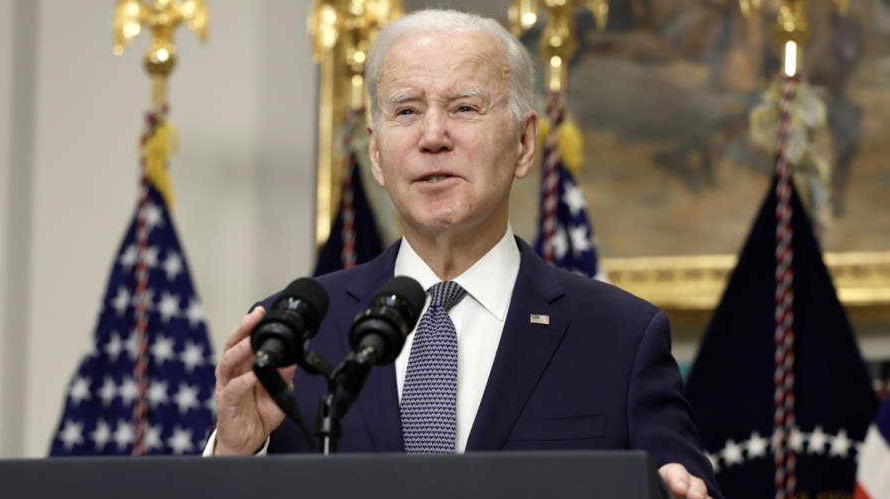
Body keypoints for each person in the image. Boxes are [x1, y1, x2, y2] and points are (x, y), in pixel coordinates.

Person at [207, 9, 722, 499]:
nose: (433, 137)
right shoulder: (293, 336)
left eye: (465, 108)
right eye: (406, 110)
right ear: (378, 154)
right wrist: (235, 454)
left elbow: (681, 481)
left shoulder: (620, 338)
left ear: (523, 144)